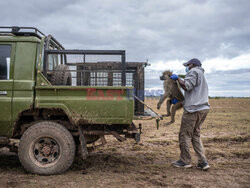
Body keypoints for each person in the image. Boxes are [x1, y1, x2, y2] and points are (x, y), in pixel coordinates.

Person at [169, 58, 210, 170]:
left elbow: (187, 86)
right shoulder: (201, 74)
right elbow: (194, 93)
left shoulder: (194, 71)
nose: (187, 67)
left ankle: (185, 161)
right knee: (195, 135)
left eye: (187, 65)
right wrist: (181, 102)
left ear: (192, 65)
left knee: (185, 134)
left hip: (193, 110)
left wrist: (177, 78)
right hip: (203, 108)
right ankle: (203, 162)